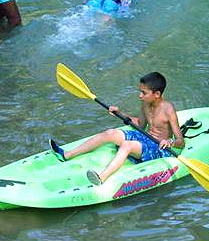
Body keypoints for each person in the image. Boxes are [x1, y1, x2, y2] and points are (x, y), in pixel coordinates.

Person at [49, 72, 185, 185]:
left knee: (127, 145)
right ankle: (67, 154)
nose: (140, 96)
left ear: (156, 94)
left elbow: (180, 141)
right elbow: (140, 125)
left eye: (144, 93)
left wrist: (170, 142)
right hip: (145, 137)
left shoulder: (168, 109)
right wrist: (119, 113)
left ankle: (101, 178)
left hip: (159, 148)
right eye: (140, 92)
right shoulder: (146, 104)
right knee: (110, 133)